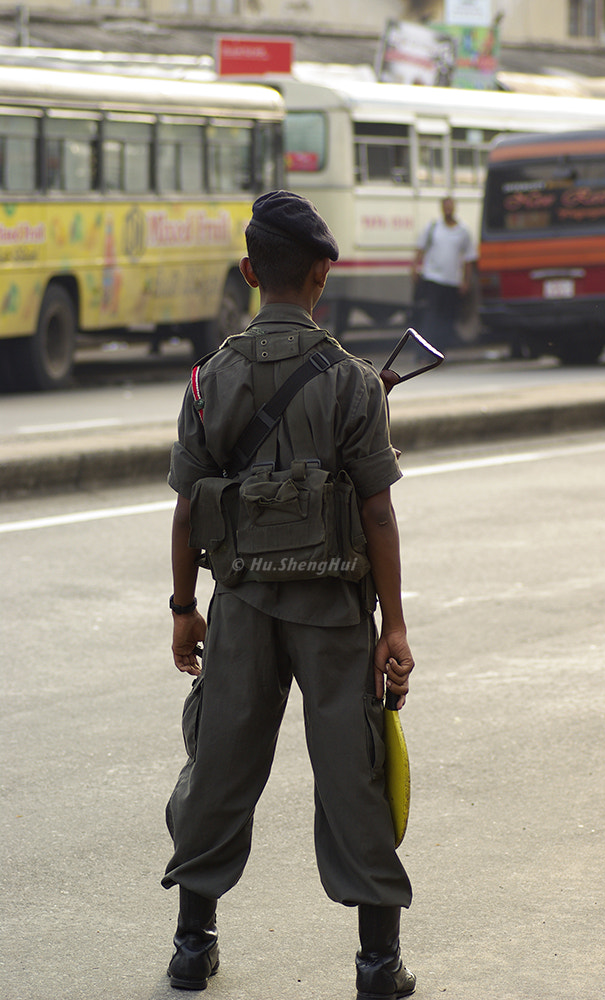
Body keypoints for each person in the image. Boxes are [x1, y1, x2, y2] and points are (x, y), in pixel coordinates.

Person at [163, 189, 416, 998]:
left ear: (248, 272)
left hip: (238, 607)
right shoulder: (351, 383)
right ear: (322, 275)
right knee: (353, 771)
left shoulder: (208, 380)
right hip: (336, 612)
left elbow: (185, 507)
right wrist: (394, 628)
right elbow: (375, 509)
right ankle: (377, 964)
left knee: (220, 766)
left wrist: (182, 608)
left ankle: (192, 948)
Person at [413, 194, 477, 353]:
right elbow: (420, 249)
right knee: (431, 317)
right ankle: (424, 352)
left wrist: (465, 281)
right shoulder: (433, 227)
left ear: (454, 208)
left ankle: (440, 351)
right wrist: (415, 268)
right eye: (445, 207)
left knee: (447, 319)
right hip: (433, 279)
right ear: (442, 209)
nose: (448, 210)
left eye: (450, 206)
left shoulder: (463, 231)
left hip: (452, 281)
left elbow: (469, 259)